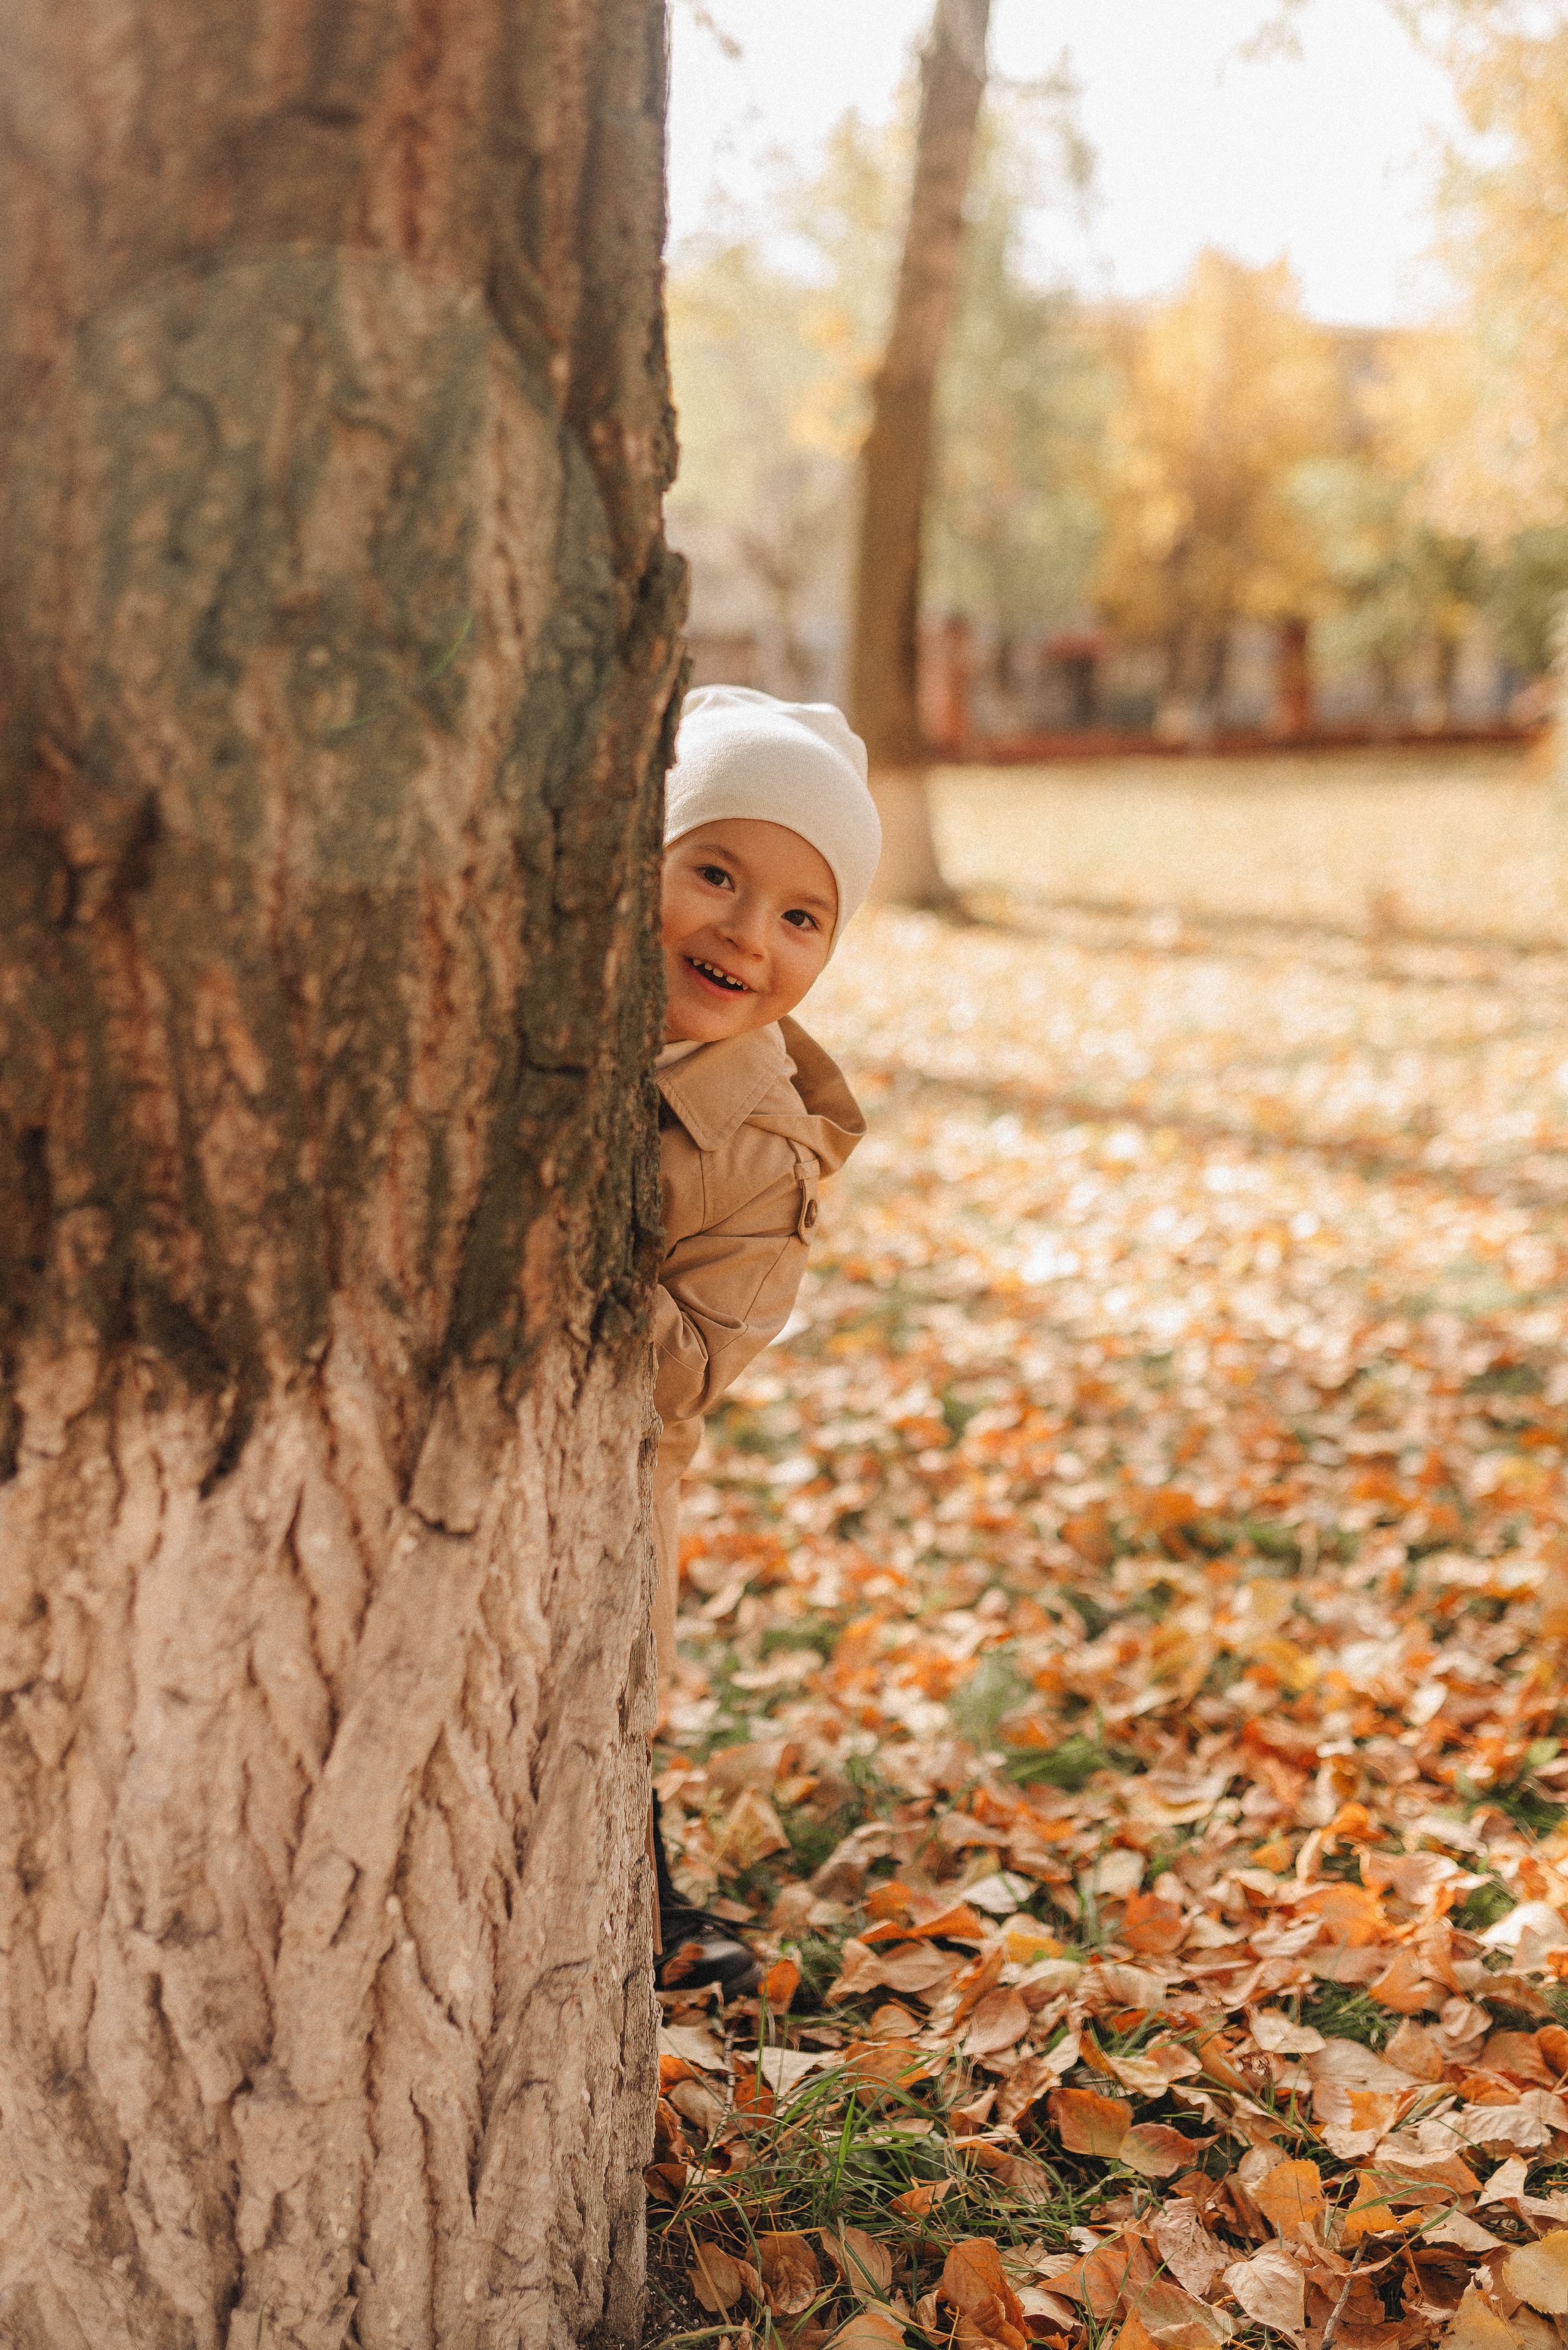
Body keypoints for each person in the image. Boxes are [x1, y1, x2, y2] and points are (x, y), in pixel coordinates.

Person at [649, 685, 881, 1995]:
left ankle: (652, 1906)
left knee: (589, 1720)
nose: (746, 932)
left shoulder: (759, 1149)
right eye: (715, 872)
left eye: (801, 915)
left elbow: (685, 1359)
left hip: (602, 1490)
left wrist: (552, 1231)